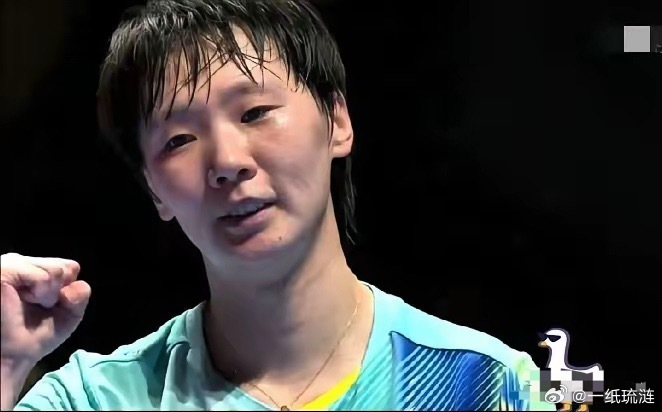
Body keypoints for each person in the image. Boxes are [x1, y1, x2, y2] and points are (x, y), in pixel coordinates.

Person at [1, 0, 555, 410]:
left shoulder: (489, 387)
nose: (227, 161)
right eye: (179, 140)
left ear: (337, 121)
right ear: (154, 190)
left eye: (255, 113)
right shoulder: (95, 400)